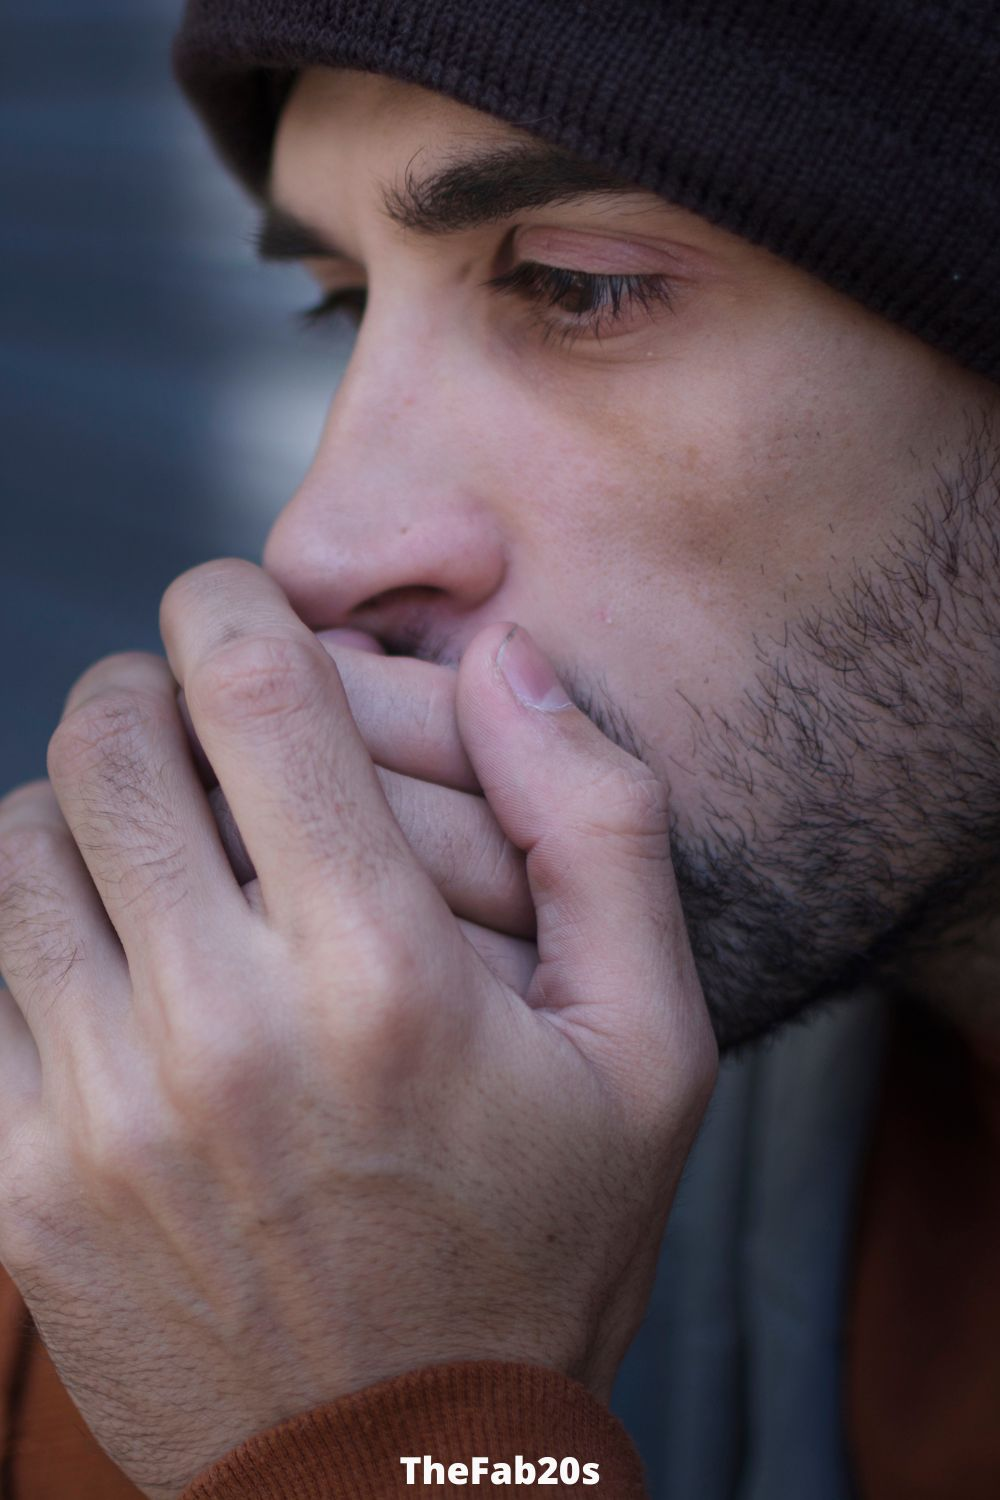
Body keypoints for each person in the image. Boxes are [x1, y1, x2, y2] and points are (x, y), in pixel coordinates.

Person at [0, 1, 997, 1496]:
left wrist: (391, 1431)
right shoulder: (228, 1158)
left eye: (582, 289)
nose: (320, 544)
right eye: (342, 304)